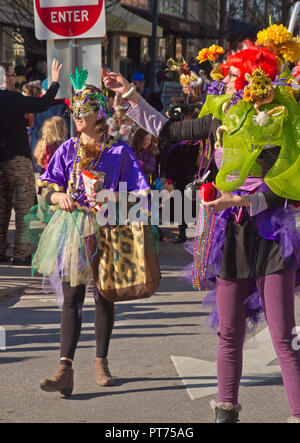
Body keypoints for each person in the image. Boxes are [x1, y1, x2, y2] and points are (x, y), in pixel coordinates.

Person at [102, 26, 300, 423]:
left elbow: (288, 186)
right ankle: (225, 411)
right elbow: (169, 130)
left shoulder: (281, 125)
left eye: (231, 77)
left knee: (283, 338)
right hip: (232, 236)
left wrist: (244, 199)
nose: (224, 82)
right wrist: (129, 95)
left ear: (251, 82)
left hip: (272, 236)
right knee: (228, 334)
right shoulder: (221, 120)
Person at [35, 71, 157, 397]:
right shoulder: (67, 149)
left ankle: (101, 361)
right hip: (73, 228)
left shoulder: (119, 151)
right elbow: (46, 183)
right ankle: (64, 369)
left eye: (83, 113)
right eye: (74, 113)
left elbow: (143, 194)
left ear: (98, 115)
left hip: (110, 229)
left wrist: (117, 197)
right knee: (71, 298)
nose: (77, 118)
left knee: (104, 295)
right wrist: (56, 196)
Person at [0, 59, 62, 265]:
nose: (14, 80)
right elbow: (42, 104)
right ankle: (21, 253)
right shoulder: (11, 98)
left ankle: (0, 250)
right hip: (16, 158)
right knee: (23, 207)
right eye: (10, 76)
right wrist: (54, 83)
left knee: (1, 208)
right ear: (4, 78)